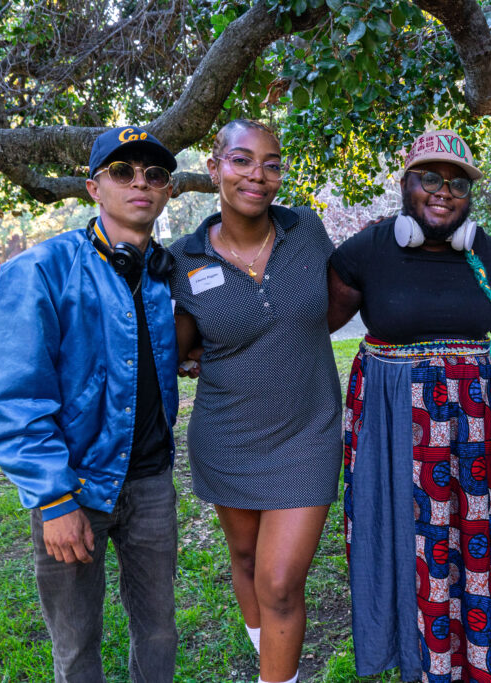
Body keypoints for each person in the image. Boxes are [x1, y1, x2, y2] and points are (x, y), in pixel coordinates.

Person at [0, 126, 180, 681]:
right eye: (123, 171)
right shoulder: (41, 270)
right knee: (75, 640)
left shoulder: (167, 273)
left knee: (159, 630)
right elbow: (13, 400)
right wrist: (55, 500)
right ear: (94, 187)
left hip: (151, 484)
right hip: (74, 488)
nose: (140, 182)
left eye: (154, 175)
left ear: (167, 192)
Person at [327, 129, 491, 683]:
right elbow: (318, 322)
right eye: (429, 177)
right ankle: (412, 658)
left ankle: (471, 659)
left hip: (475, 426)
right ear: (406, 184)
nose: (444, 191)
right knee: (398, 536)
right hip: (392, 421)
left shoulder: (487, 252)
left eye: (457, 182)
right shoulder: (368, 248)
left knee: (472, 538)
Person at [168, 119, 342, 683]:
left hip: (307, 435)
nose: (257, 175)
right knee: (245, 562)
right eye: (241, 160)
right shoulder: (182, 261)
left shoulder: (308, 233)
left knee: (281, 581)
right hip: (228, 438)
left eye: (271, 163)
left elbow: (334, 305)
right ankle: (271, 658)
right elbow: (176, 349)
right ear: (214, 168)